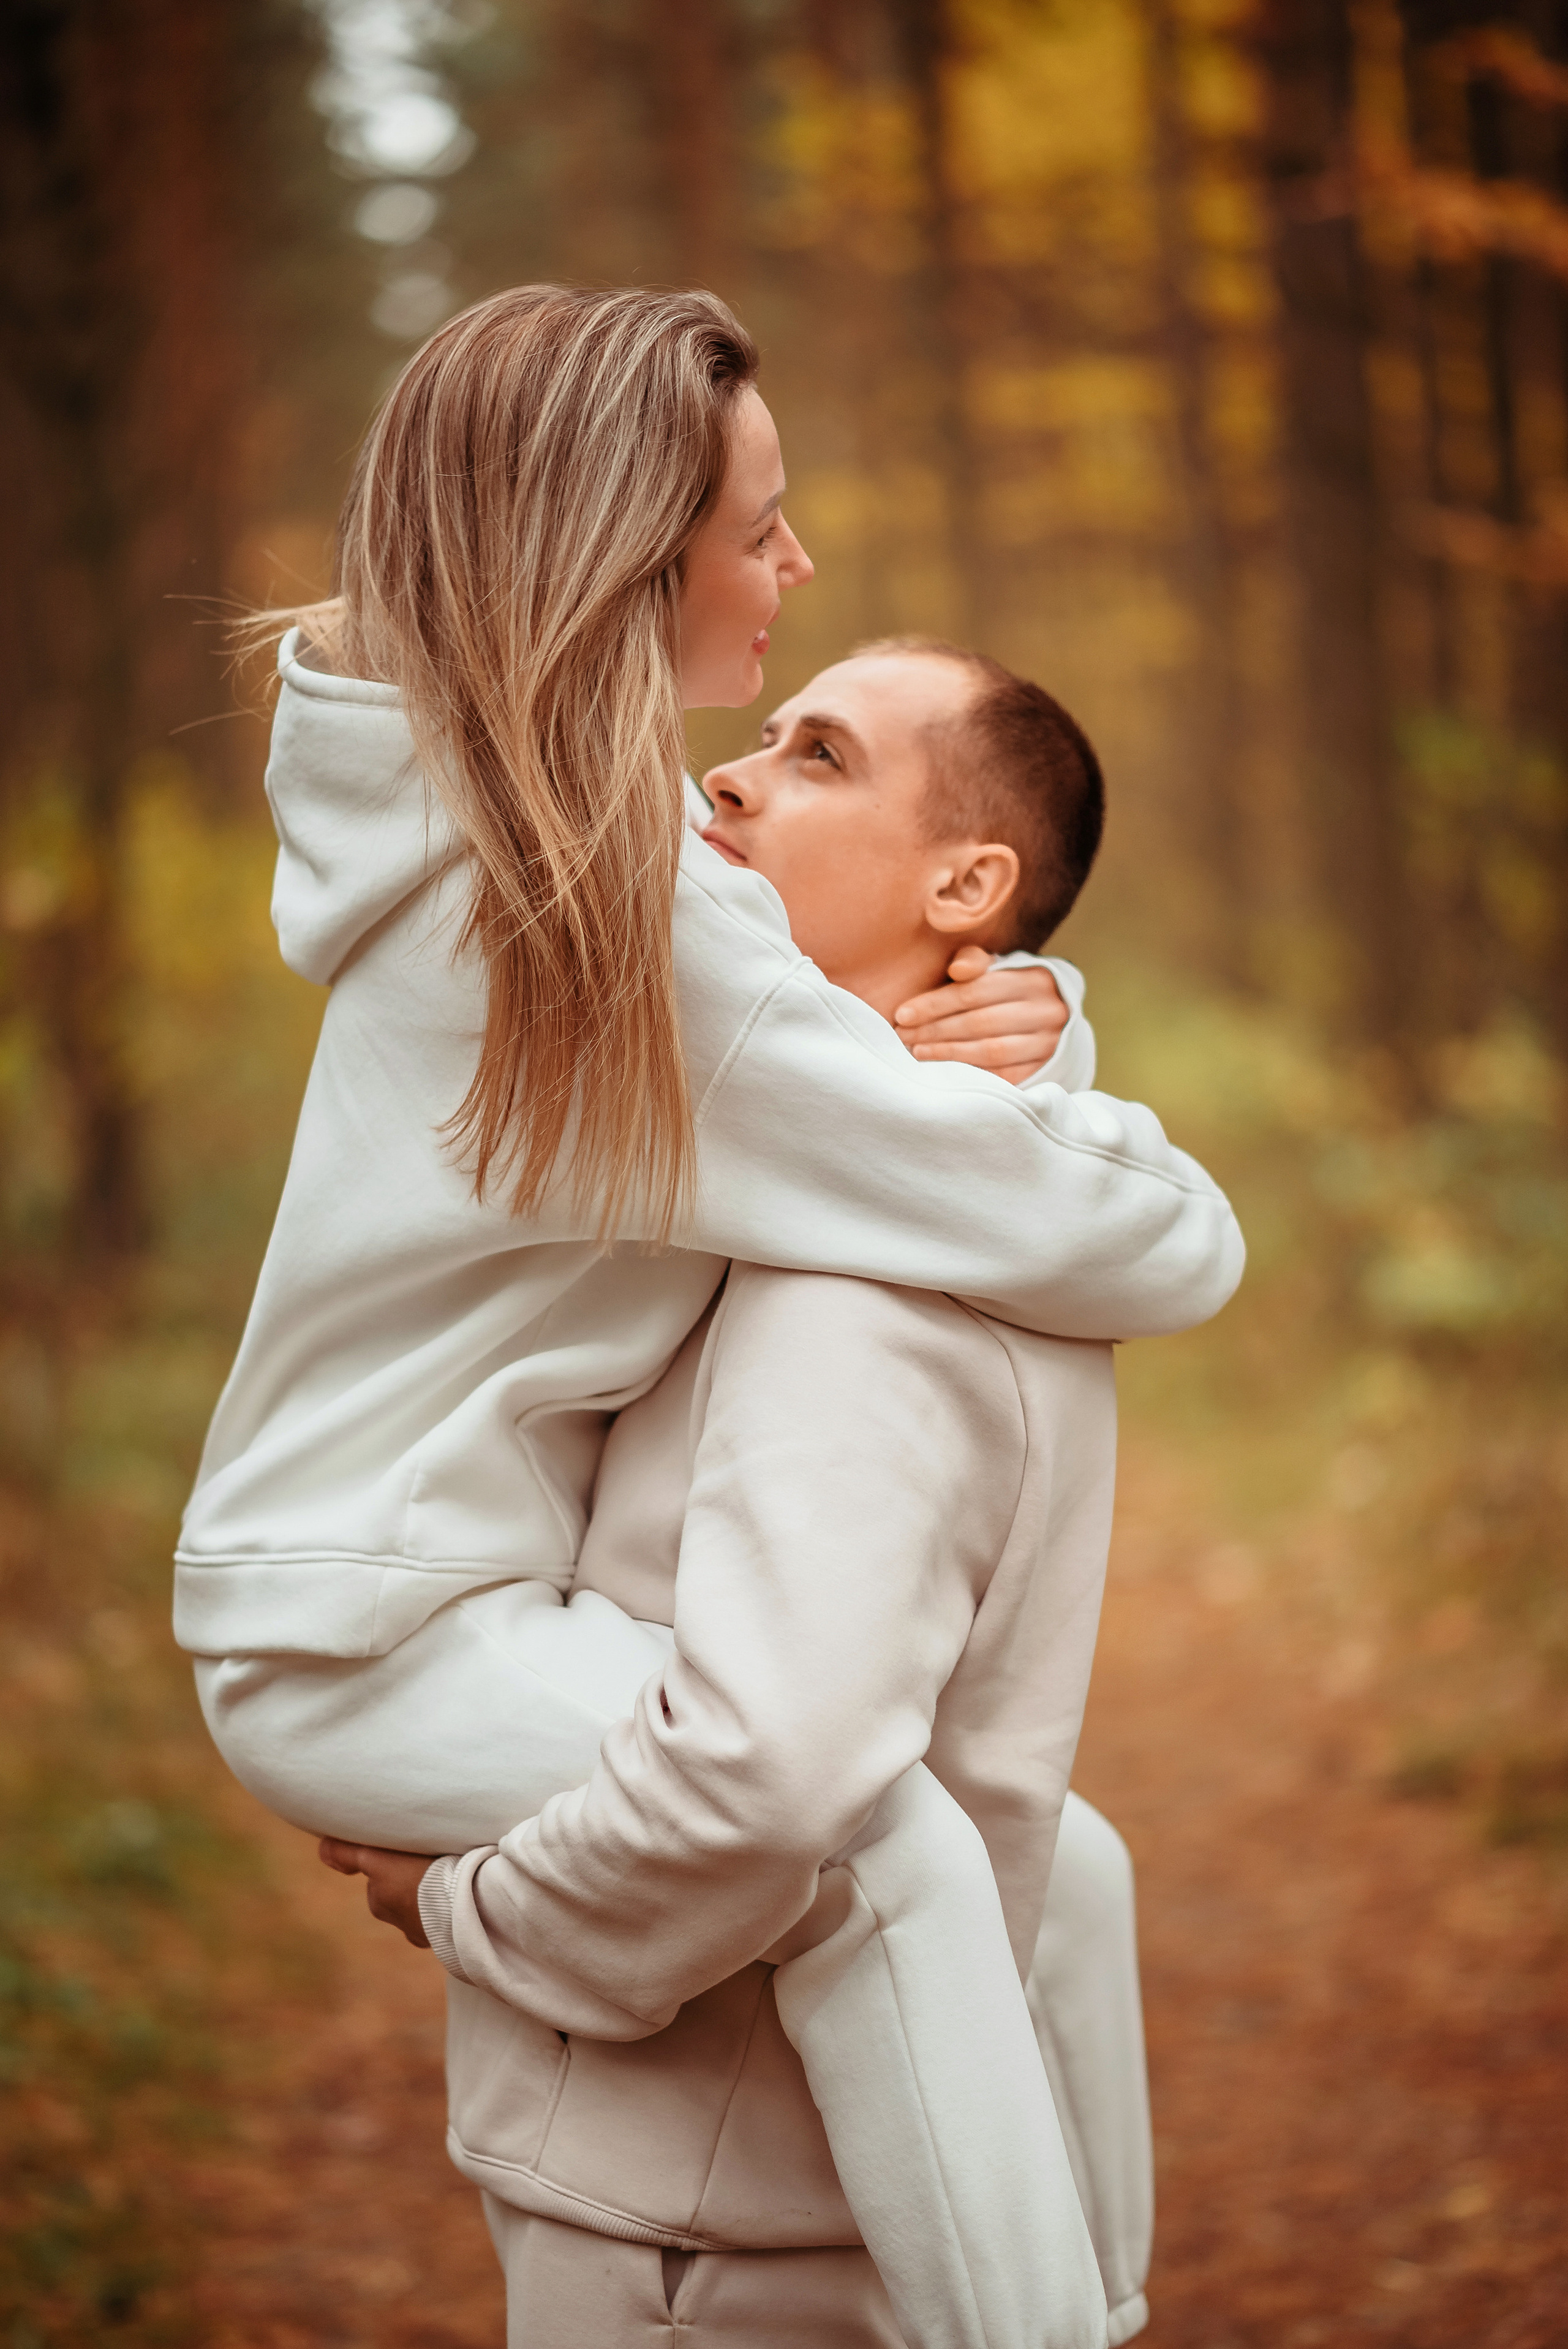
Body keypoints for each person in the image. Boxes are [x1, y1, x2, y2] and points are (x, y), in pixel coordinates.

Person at [178, 286, 1236, 2336]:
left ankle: (1091, 2295)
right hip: (374, 1622)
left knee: (1063, 1870)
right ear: (624, 545)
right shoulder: (609, 925)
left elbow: (861, 1021)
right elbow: (1117, 1235)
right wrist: (1077, 1085)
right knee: (879, 1849)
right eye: (759, 524)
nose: (796, 561)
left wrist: (1031, 999)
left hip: (384, 1582)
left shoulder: (535, 838)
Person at [320, 637, 1160, 2349]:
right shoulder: (974, 1198)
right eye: (768, 733)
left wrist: (470, 1899)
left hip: (695, 2238)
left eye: (822, 755)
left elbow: (776, 1775)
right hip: (789, 2187)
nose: (733, 770)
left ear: (969, 881)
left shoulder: (852, 1288)